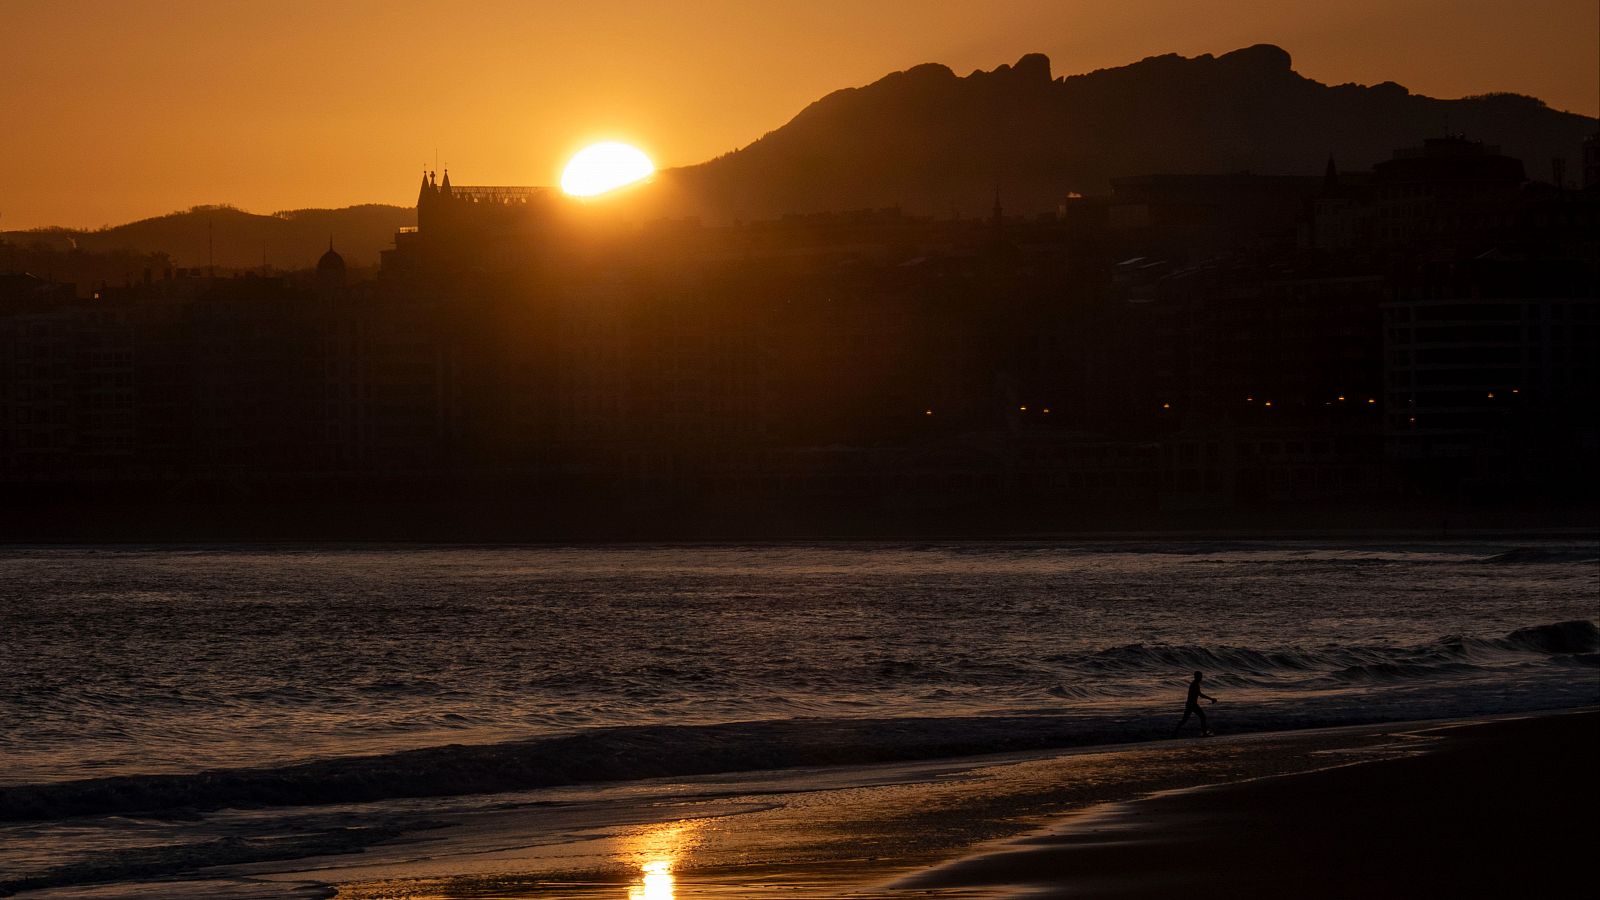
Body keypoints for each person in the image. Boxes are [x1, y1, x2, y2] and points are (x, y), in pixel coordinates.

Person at [1173, 670, 1217, 737]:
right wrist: (1211, 699)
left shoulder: (1195, 684)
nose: (1201, 678)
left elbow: (1199, 695)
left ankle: (1174, 733)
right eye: (1200, 676)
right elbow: (1200, 695)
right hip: (1192, 705)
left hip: (1190, 704)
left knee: (1185, 720)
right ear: (1197, 677)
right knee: (1202, 717)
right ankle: (1204, 733)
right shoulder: (1195, 684)